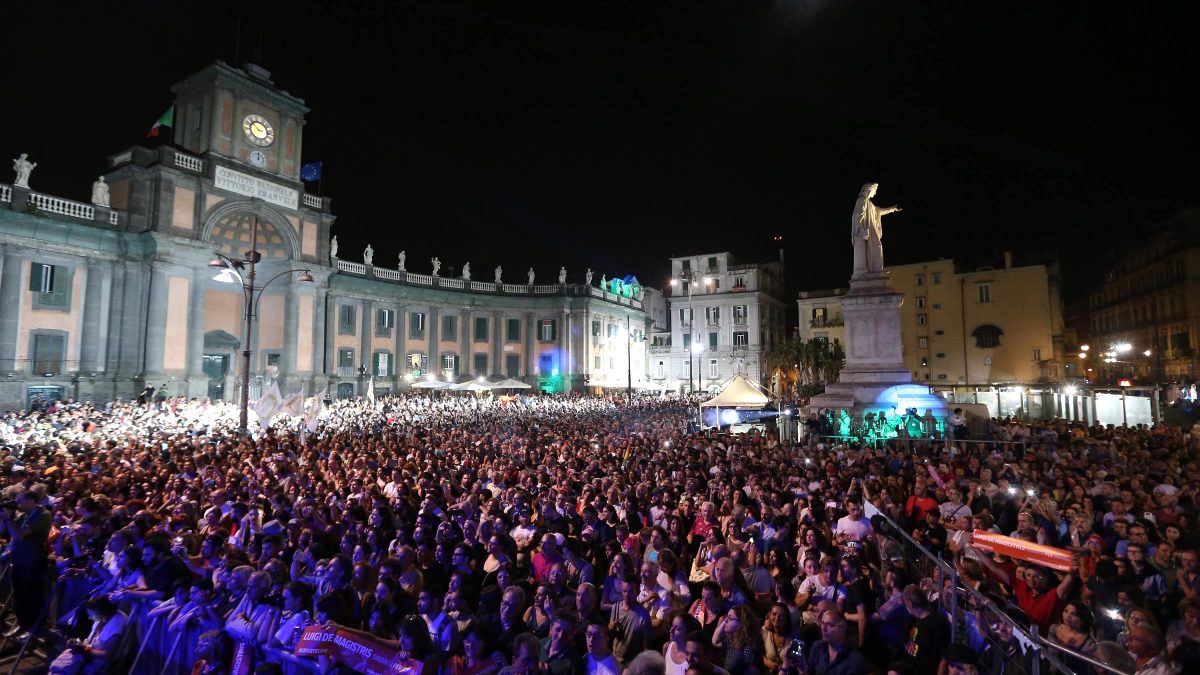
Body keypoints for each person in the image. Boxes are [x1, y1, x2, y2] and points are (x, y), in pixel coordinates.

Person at [1, 491, 52, 637]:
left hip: (32, 562)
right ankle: (23, 625)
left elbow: (18, 534)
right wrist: (5, 518)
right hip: (19, 560)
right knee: (19, 595)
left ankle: (34, 629)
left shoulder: (43, 514)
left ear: (32, 501)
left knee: (32, 596)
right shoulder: (23, 515)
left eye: (20, 501)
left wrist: (8, 520)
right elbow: (5, 531)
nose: (17, 504)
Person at [800, 609, 867, 675]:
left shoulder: (855, 660)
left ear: (843, 628)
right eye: (822, 623)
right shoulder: (817, 646)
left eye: (829, 625)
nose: (824, 629)